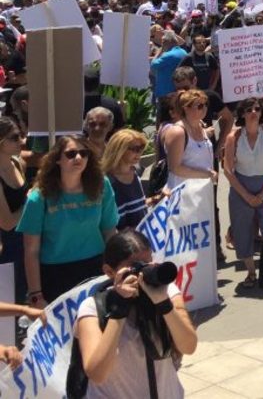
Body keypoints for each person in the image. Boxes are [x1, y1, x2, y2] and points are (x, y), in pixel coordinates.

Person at [74, 230, 198, 397]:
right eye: (134, 267)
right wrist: (118, 311)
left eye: (147, 264)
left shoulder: (167, 293)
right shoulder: (92, 308)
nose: (142, 274)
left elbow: (188, 346)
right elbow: (97, 373)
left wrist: (163, 303)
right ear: (110, 272)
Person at [18, 134, 118, 305]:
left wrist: (117, 268)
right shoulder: (39, 197)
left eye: (84, 153)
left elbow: (109, 231)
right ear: (57, 159)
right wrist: (36, 294)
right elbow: (31, 250)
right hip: (55, 274)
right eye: (71, 154)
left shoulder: (102, 185)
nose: (78, 158)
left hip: (96, 267)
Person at [223, 97, 263, 291]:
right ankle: (250, 271)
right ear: (242, 114)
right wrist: (246, 195)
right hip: (241, 187)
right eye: (248, 110)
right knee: (242, 230)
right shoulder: (234, 137)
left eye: (256, 109)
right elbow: (228, 170)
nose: (253, 112)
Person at [162, 89, 217, 192]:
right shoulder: (178, 132)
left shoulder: (201, 127)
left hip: (203, 190)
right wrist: (206, 174)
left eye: (205, 104)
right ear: (186, 108)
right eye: (200, 106)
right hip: (184, 192)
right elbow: (175, 168)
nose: (204, 108)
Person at [0, 117, 30, 300]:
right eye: (15, 137)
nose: (22, 141)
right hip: (7, 248)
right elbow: (7, 222)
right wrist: (30, 201)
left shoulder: (18, 163)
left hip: (26, 241)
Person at [101, 129, 153, 231]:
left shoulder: (136, 172)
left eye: (141, 148)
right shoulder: (107, 182)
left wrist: (156, 199)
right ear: (119, 150)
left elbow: (138, 206)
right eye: (135, 149)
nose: (139, 153)